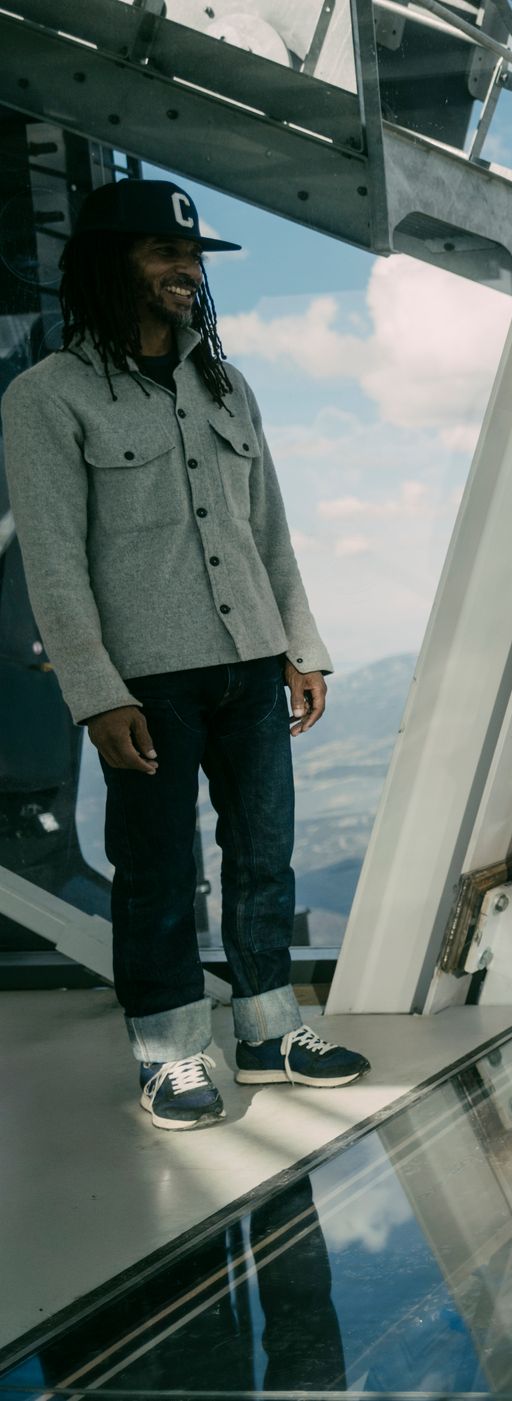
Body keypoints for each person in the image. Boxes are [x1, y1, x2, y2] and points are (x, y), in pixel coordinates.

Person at [1, 178, 368, 1131]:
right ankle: (167, 1053)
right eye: (165, 253)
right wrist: (95, 692)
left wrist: (302, 648)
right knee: (156, 870)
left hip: (252, 663)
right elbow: (54, 562)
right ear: (108, 264)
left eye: (194, 256)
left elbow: (269, 530)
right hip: (145, 682)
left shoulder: (227, 386)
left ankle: (270, 1031)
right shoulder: (46, 398)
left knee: (264, 856)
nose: (187, 271)